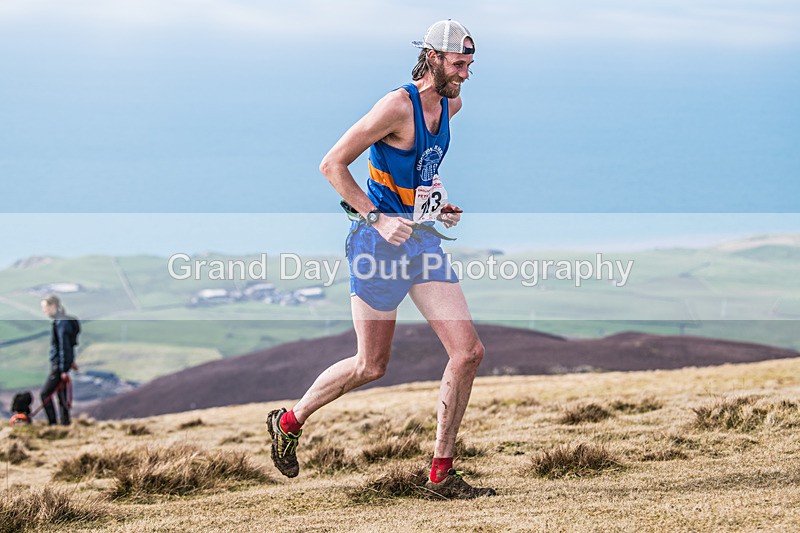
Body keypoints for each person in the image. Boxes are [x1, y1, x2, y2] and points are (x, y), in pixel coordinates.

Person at [267, 20, 496, 499]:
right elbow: (332, 164)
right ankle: (289, 421)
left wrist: (435, 205)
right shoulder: (396, 106)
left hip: (421, 241)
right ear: (433, 57)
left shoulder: (451, 105)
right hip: (376, 246)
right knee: (371, 365)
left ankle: (441, 474)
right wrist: (376, 218)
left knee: (468, 352)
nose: (465, 74)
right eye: (458, 64)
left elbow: (420, 171)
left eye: (470, 65)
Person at [40, 294, 79, 425]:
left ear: (53, 306)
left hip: (58, 365)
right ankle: (65, 423)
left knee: (45, 394)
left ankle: (53, 423)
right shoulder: (62, 321)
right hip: (61, 364)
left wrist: (63, 369)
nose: (44, 311)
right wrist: (70, 362)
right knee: (61, 395)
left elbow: (64, 346)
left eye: (45, 307)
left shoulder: (61, 323)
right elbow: (68, 345)